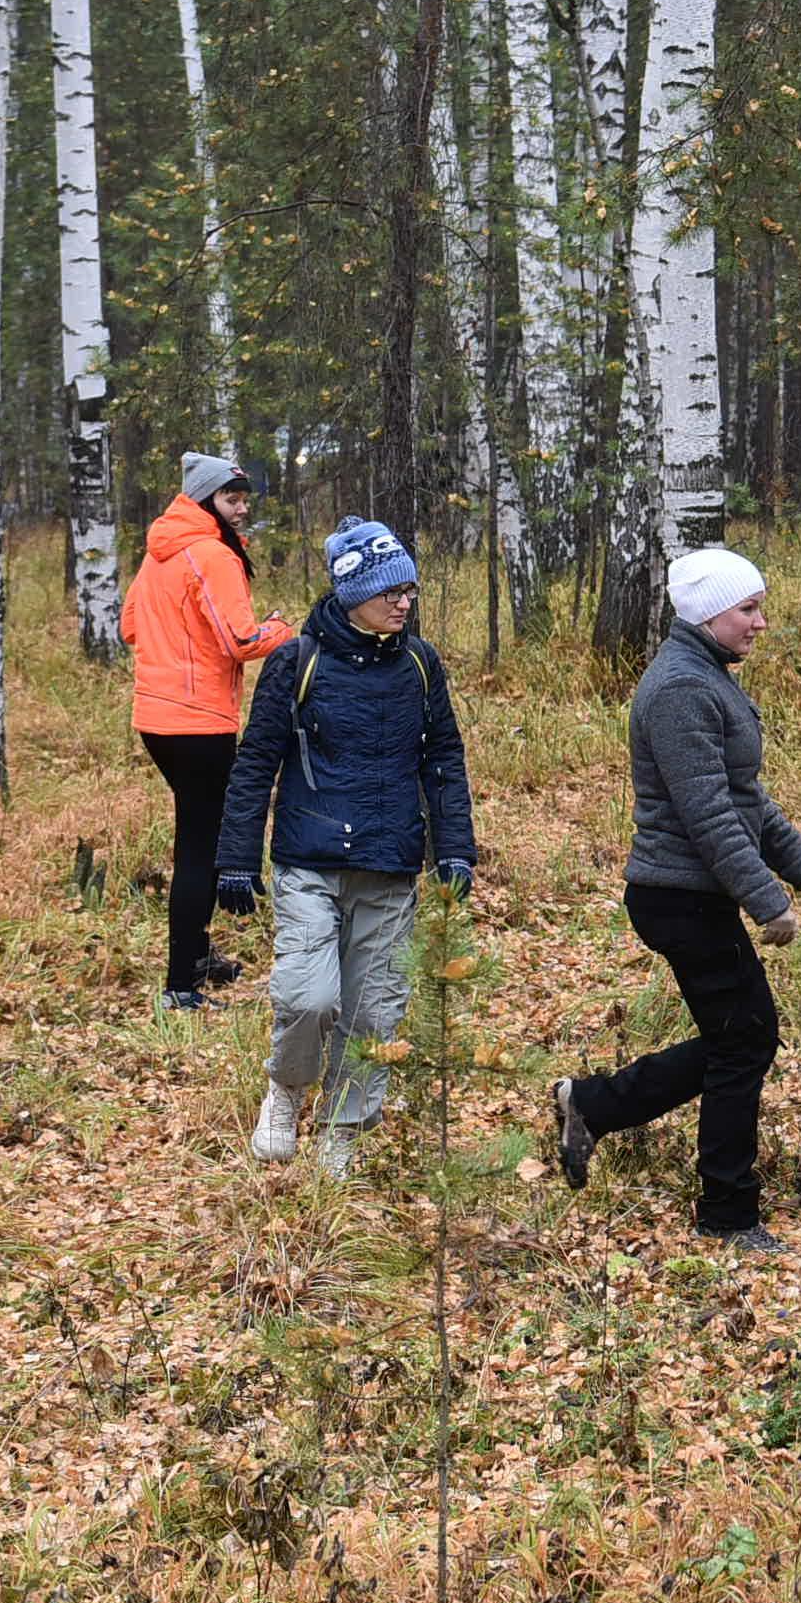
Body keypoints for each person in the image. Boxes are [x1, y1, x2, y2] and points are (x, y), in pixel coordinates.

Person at [549, 548, 801, 1254]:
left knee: (740, 1038)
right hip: (679, 897)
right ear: (709, 613)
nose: (760, 623)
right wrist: (767, 901)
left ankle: (592, 1105)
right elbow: (707, 814)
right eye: (748, 609)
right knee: (746, 1039)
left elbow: (744, 798)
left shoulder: (707, 678)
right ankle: (727, 1214)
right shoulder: (680, 689)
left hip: (695, 895)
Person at [216, 521, 477, 1179]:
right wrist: (237, 858)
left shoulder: (421, 663)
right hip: (309, 857)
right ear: (353, 590)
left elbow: (443, 757)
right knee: (309, 998)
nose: (404, 602)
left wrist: (456, 850)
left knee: (373, 1013)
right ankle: (285, 1089)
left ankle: (342, 1131)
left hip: (390, 862)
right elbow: (255, 763)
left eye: (410, 590)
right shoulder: (294, 662)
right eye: (391, 590)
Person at [125, 454, 296, 1009]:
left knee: (196, 839)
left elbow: (130, 625)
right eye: (231, 499)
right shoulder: (209, 554)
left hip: (157, 719)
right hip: (197, 721)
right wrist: (283, 629)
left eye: (245, 498)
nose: (241, 509)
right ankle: (181, 986)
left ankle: (196, 957)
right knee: (202, 849)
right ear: (205, 501)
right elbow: (242, 641)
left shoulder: (162, 552)